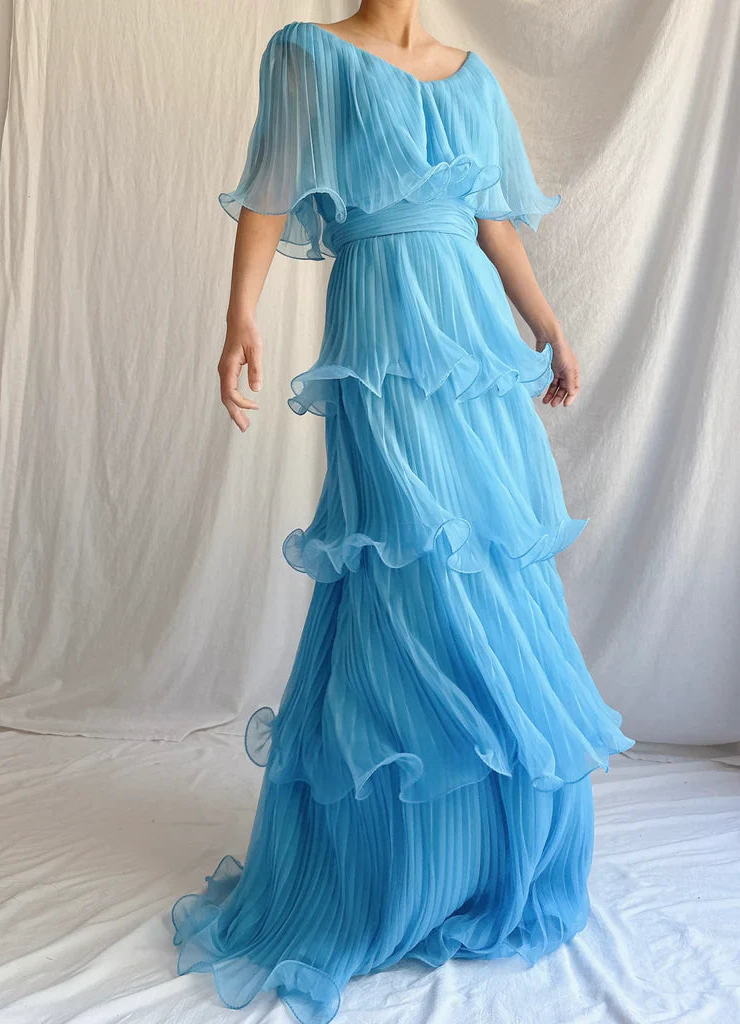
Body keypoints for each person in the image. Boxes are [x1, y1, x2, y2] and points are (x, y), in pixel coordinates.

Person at [171, 7, 635, 1023]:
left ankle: (486, 851)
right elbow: (271, 191)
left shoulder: (471, 77)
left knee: (488, 567)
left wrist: (547, 325)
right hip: (380, 336)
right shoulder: (310, 53)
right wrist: (240, 316)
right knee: (402, 568)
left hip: (470, 348)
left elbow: (491, 220)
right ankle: (388, 860)